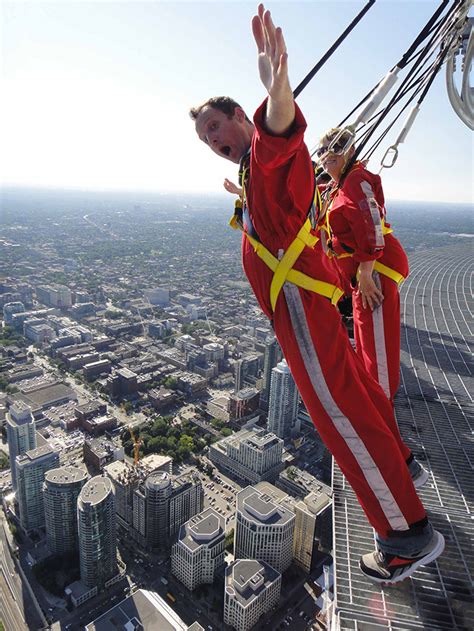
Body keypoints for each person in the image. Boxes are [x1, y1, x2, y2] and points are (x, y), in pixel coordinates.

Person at [190, 3, 444, 583]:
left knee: (340, 419)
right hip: (313, 310)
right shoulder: (260, 169)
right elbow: (276, 181)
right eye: (205, 138)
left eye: (215, 127)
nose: (211, 140)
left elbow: (280, 130)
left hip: (303, 319)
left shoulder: (271, 153)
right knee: (361, 402)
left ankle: (406, 536)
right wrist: (246, 185)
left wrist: (277, 86)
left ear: (239, 116)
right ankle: (403, 475)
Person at [316, 129, 408, 404]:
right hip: (364, 271)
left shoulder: (355, 179)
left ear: (351, 150)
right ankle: (374, 400)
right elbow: (308, 192)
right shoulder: (337, 186)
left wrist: (366, 273)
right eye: (322, 150)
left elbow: (371, 221)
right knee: (367, 339)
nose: (326, 154)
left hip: (375, 270)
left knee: (377, 347)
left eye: (336, 147)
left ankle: (380, 407)